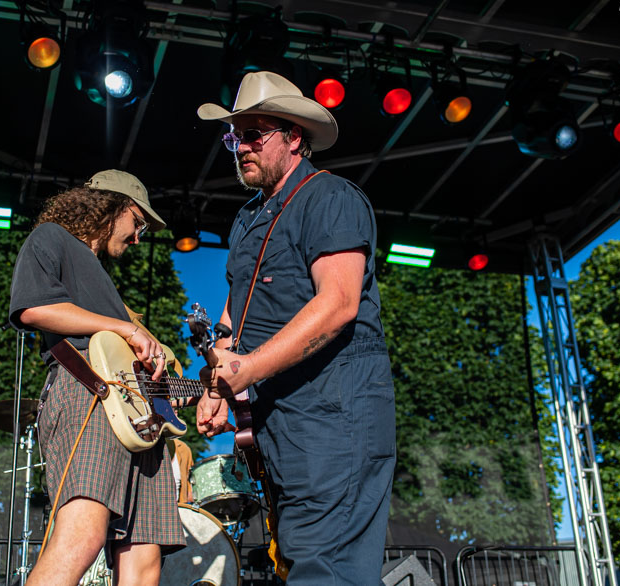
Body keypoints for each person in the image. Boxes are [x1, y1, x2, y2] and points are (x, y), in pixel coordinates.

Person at [194, 71, 397, 585]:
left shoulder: (330, 196)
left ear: (295, 138)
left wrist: (249, 369)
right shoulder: (247, 219)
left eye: (255, 133)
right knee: (300, 560)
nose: (242, 146)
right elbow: (234, 314)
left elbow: (339, 302)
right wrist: (217, 381)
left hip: (334, 415)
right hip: (277, 421)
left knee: (324, 569)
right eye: (235, 136)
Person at [8, 170, 185, 586]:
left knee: (144, 559)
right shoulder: (52, 237)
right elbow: (33, 308)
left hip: (141, 422)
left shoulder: (105, 286)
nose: (138, 237)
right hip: (90, 393)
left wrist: (168, 394)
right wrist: (128, 329)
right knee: (82, 537)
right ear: (113, 205)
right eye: (138, 223)